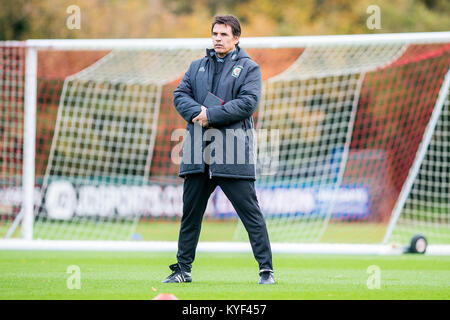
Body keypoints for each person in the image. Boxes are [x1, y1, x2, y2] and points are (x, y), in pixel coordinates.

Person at [162, 15, 274, 285]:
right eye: (215, 33)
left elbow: (247, 103)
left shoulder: (249, 68)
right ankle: (182, 270)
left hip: (232, 151)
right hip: (197, 152)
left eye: (224, 34)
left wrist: (210, 114)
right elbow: (180, 95)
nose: (217, 38)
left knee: (250, 214)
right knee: (190, 215)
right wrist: (198, 113)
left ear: (236, 38)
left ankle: (266, 270)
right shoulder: (196, 66)